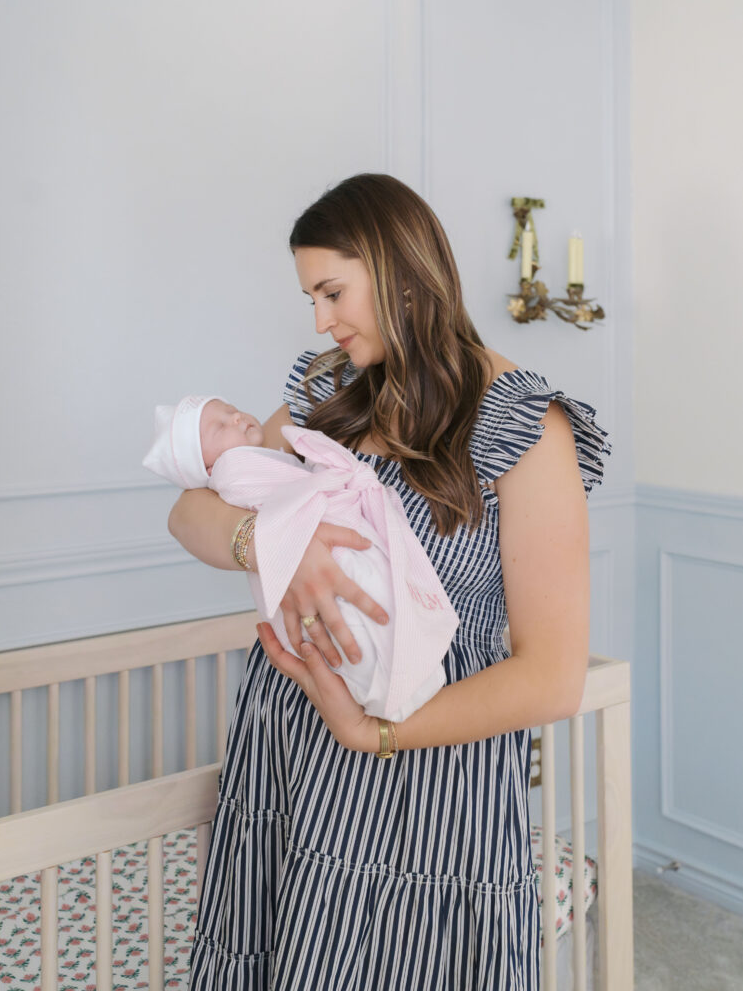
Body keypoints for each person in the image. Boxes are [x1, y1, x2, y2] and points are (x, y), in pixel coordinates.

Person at [168, 173, 613, 990]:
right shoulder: (326, 390)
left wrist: (372, 732)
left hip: (430, 784)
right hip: (291, 760)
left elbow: (551, 676)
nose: (320, 321)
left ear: (399, 264)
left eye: (332, 292)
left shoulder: (525, 428)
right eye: (310, 298)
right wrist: (269, 545)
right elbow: (191, 510)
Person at [143, 394, 458, 721]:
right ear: (207, 467)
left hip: (335, 547)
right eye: (221, 425)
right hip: (328, 559)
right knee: (356, 616)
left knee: (367, 611)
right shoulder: (235, 468)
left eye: (233, 410)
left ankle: (396, 684)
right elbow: (186, 513)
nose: (236, 418)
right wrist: (282, 546)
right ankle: (393, 687)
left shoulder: (261, 455)